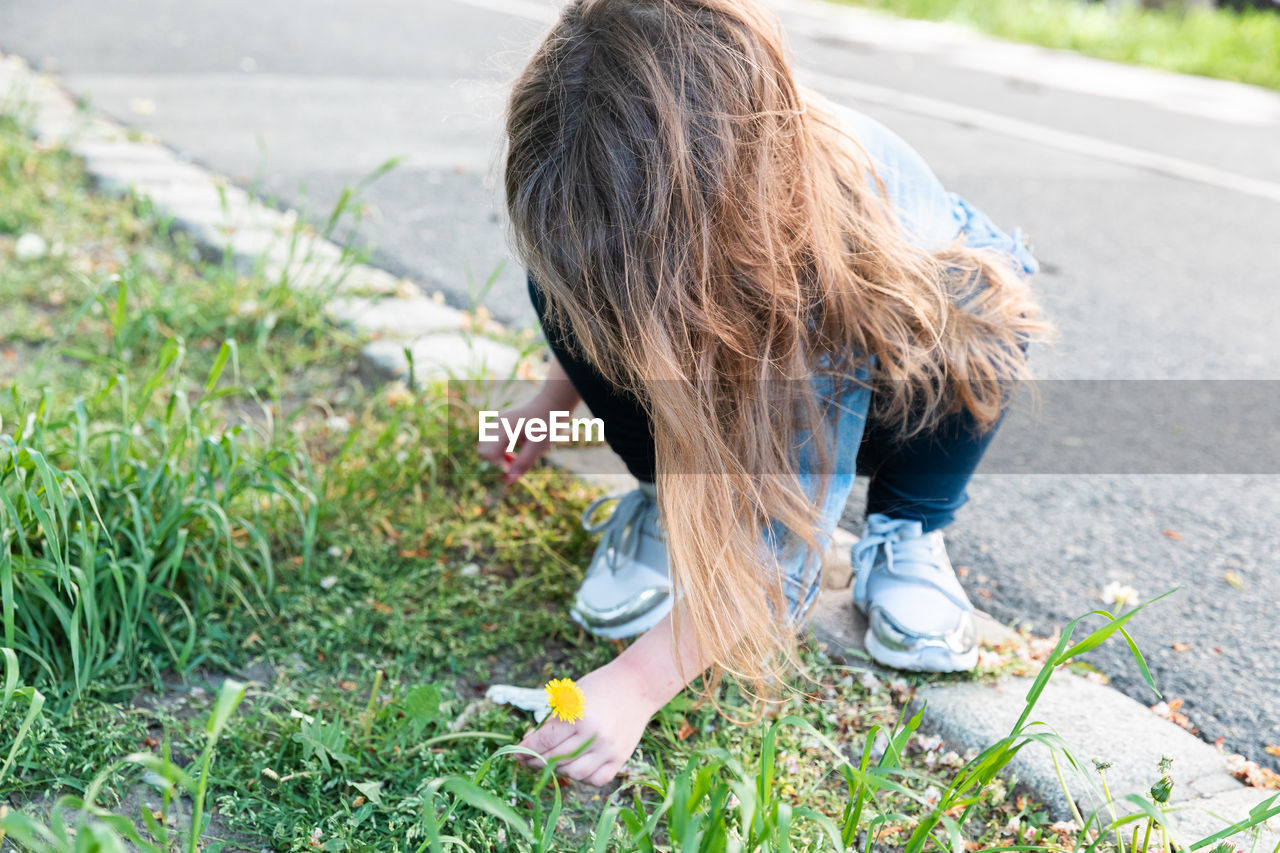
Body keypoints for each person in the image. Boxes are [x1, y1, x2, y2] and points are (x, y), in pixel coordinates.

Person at [477, 0, 1047, 786]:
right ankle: (663, 493)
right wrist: (544, 410)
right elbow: (599, 302)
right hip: (731, 310)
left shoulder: (822, 255)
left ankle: (907, 532)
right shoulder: (592, 201)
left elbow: (785, 543)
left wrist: (637, 682)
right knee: (580, 288)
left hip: (900, 347)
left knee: (978, 325)